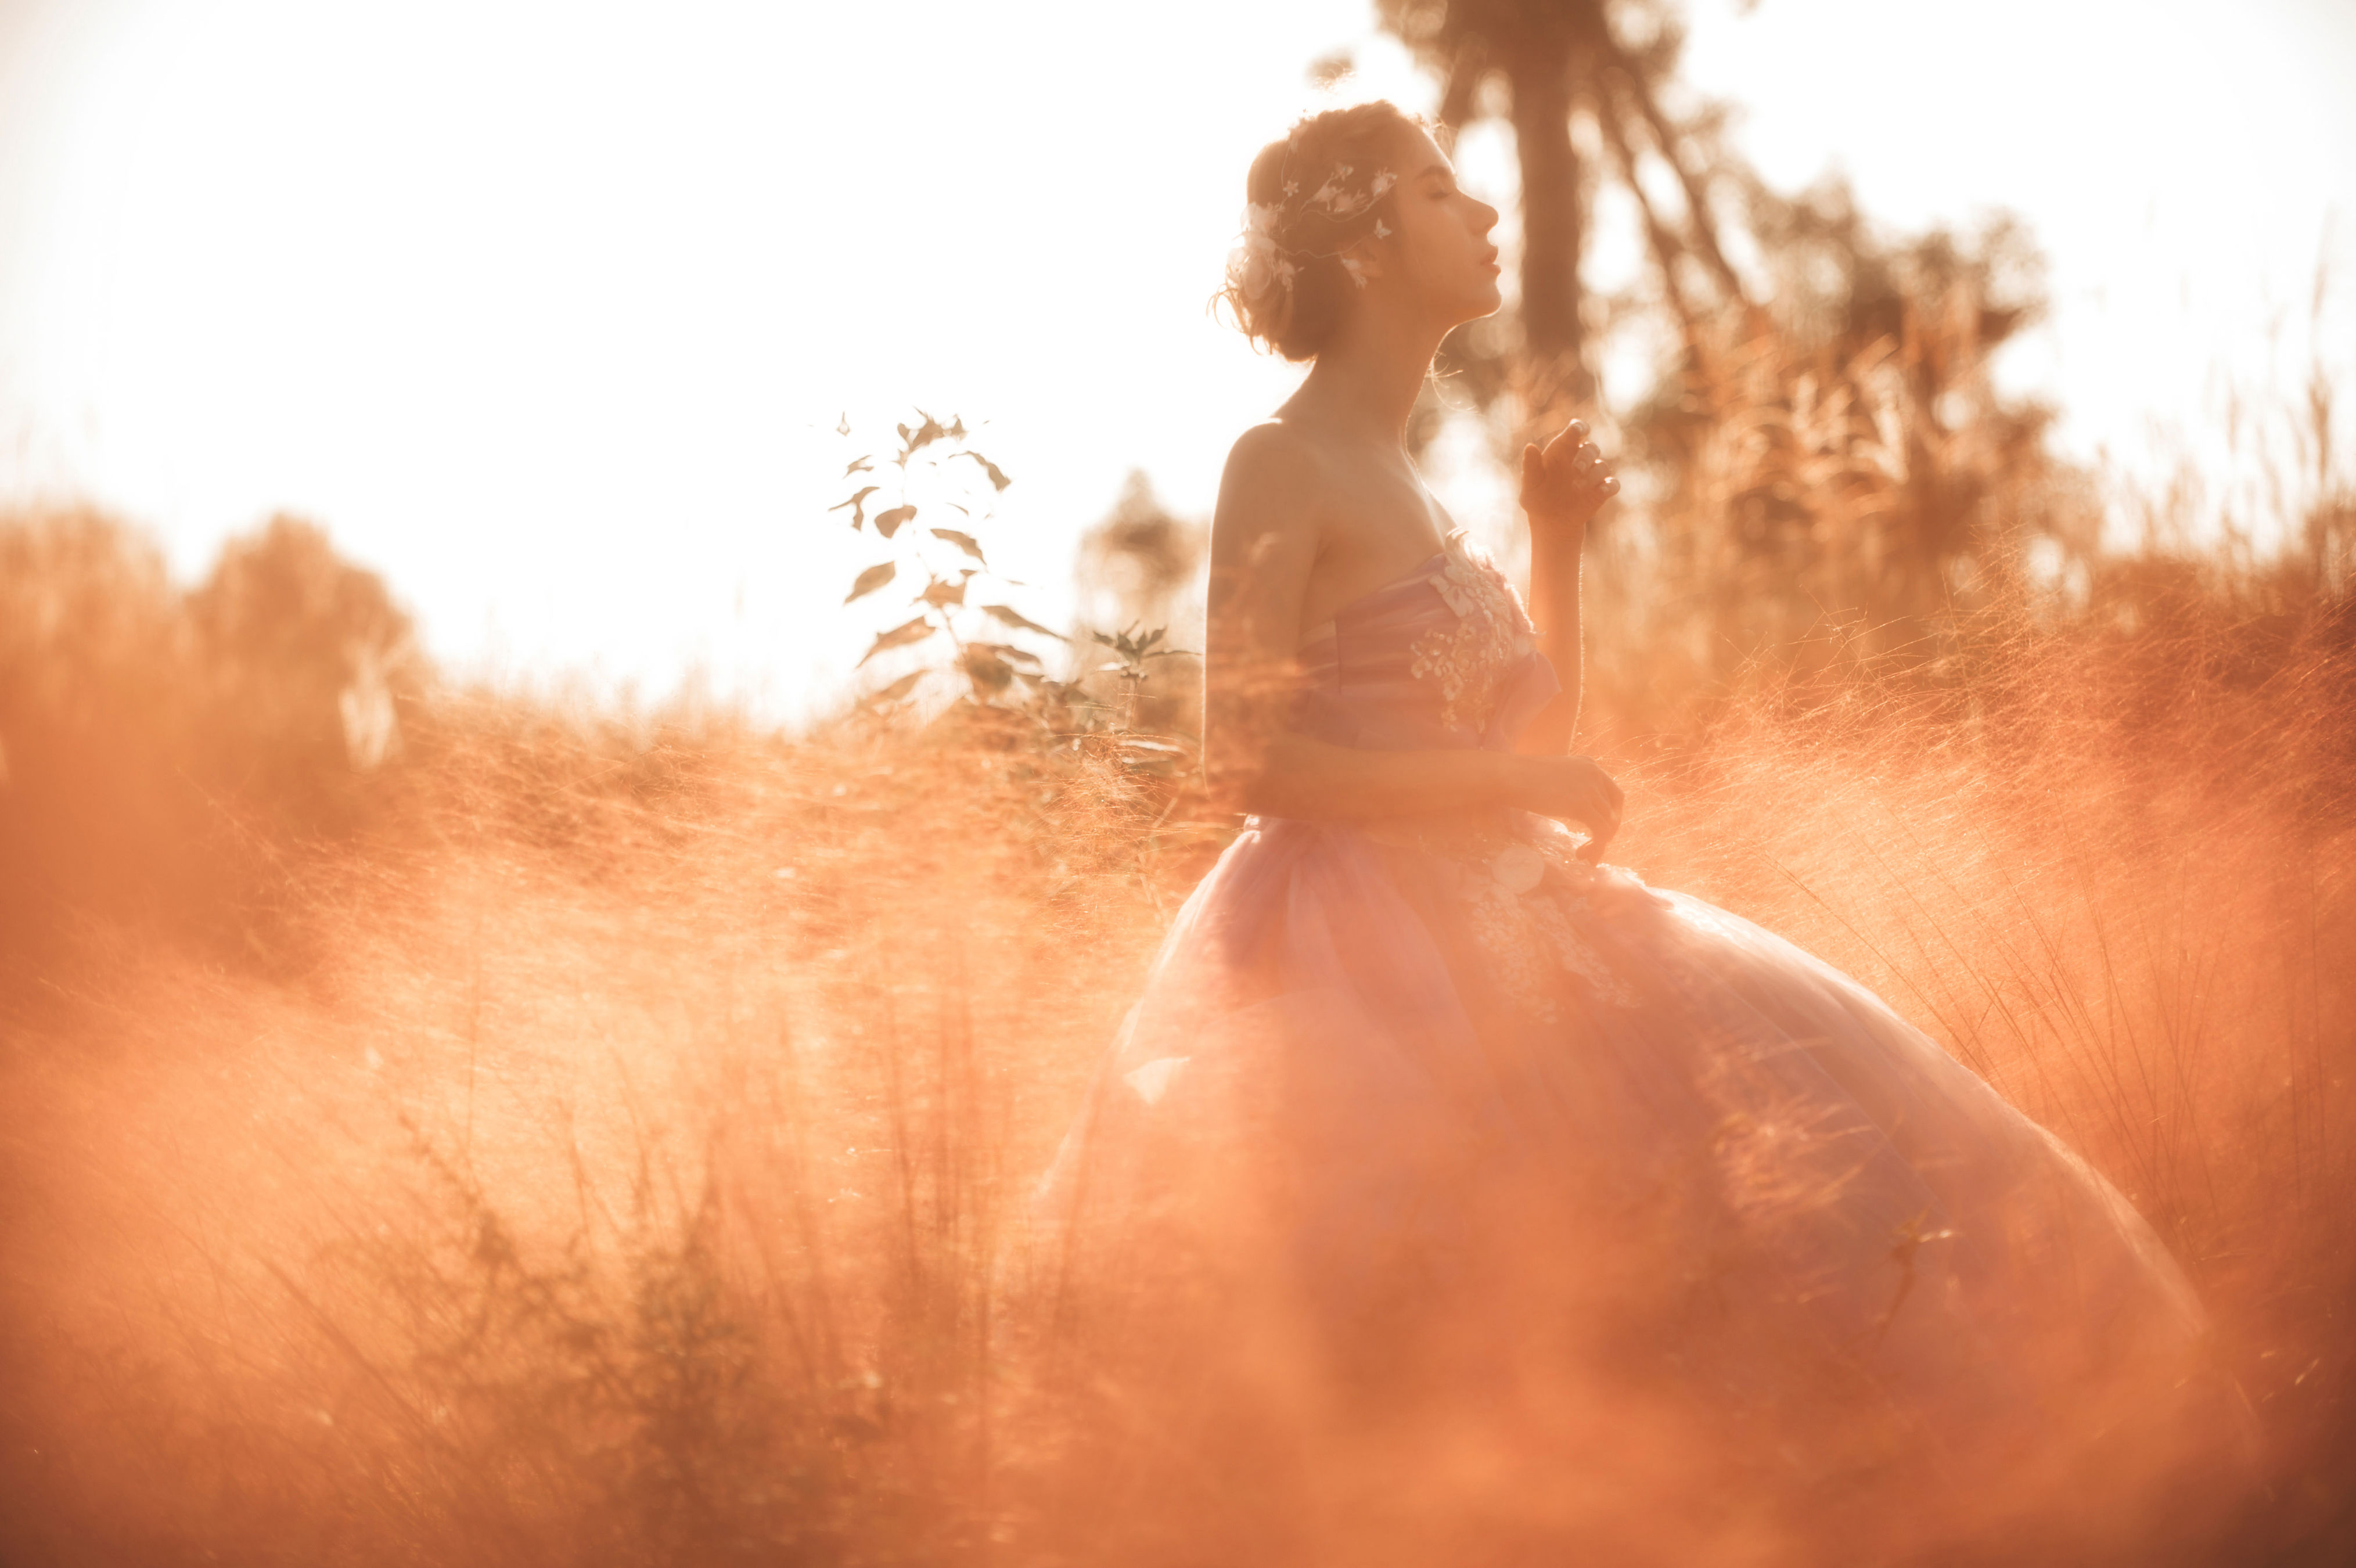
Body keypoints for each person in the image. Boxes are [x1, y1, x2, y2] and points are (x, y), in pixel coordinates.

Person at [1025, 101, 2235, 1562]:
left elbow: (1532, 739)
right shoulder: (1275, 462)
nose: (1480, 215)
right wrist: (1505, 796)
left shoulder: (1414, 480)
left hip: (1519, 914)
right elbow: (1251, 760)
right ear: (1361, 243)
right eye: (1435, 191)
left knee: (1725, 1235)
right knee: (1481, 1293)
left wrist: (1553, 543)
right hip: (1368, 960)